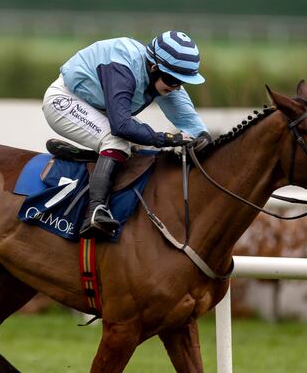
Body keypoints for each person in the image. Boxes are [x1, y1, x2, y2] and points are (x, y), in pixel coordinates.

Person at [42, 30, 213, 240]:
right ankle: (95, 211)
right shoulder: (123, 67)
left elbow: (193, 127)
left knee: (144, 150)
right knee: (117, 141)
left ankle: (87, 156)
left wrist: (204, 139)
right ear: (152, 67)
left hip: (100, 107)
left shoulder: (165, 79)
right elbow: (121, 126)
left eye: (182, 81)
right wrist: (168, 139)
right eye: (172, 79)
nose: (176, 87)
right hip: (64, 100)